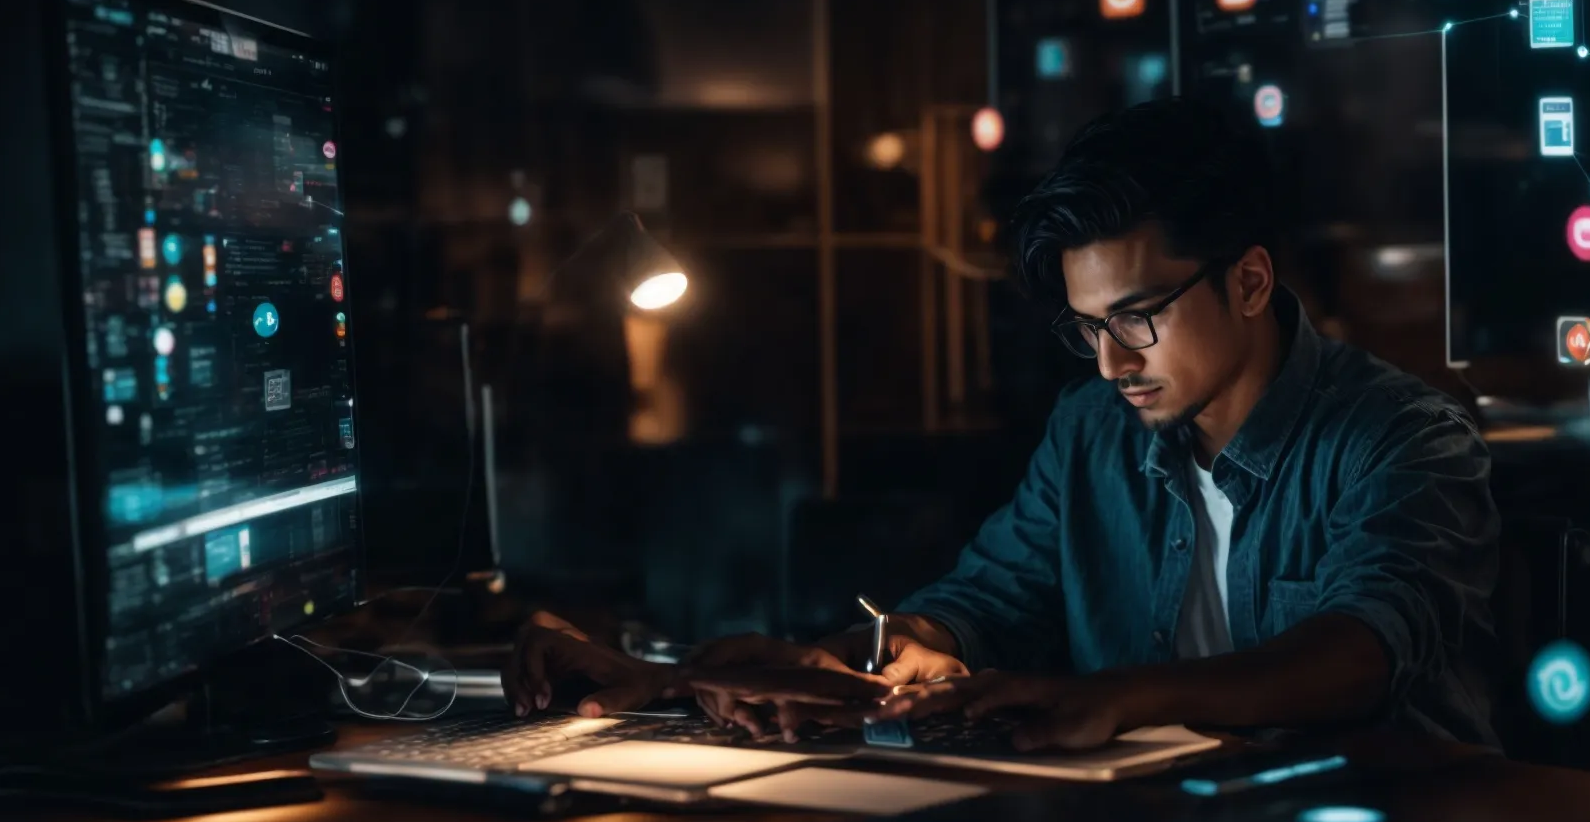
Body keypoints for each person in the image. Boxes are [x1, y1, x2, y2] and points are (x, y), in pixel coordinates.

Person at [505, 97, 1500, 748]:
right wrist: (884, 651)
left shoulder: (1401, 437)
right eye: (1085, 329)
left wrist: (1121, 696)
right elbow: (985, 600)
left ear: (1247, 280)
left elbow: (1359, 652)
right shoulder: (1090, 432)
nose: (1112, 363)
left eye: (1137, 319)